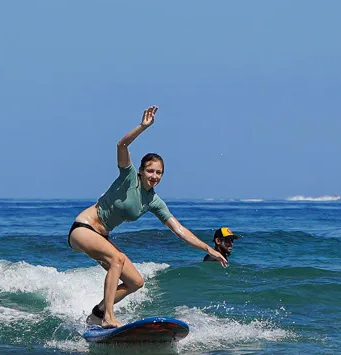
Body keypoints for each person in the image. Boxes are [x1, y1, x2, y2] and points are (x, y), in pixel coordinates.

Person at [66, 107, 227, 326]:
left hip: (102, 237)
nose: (154, 176)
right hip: (83, 229)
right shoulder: (128, 177)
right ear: (141, 170)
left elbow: (179, 230)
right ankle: (108, 317)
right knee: (117, 258)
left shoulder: (153, 201)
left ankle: (97, 313)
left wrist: (210, 250)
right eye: (150, 171)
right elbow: (121, 145)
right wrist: (143, 126)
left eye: (159, 172)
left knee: (135, 282)